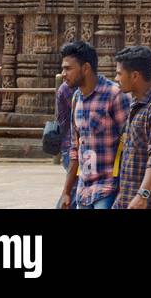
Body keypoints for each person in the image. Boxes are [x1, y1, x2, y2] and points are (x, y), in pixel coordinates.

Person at [58, 40, 130, 210]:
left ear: (86, 68)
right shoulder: (76, 98)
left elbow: (131, 143)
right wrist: (66, 191)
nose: (63, 73)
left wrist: (126, 191)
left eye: (68, 68)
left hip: (108, 187)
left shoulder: (114, 95)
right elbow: (75, 148)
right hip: (84, 189)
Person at [112, 45, 151, 209]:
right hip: (128, 198)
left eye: (119, 73)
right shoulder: (136, 105)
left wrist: (143, 195)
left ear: (134, 76)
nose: (116, 78)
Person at [54, 78, 76, 208]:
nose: (64, 73)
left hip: (69, 145)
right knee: (73, 190)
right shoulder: (68, 89)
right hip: (71, 145)